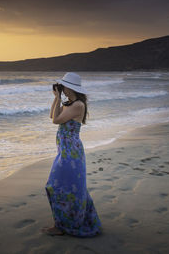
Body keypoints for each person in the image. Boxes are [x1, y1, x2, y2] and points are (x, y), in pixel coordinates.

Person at [42, 72, 102, 237]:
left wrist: (57, 97)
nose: (62, 88)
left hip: (71, 153)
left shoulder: (78, 105)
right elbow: (52, 115)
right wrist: (57, 98)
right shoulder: (70, 103)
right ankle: (61, 224)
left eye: (63, 86)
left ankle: (63, 226)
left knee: (59, 186)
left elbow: (56, 120)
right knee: (60, 187)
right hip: (64, 151)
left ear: (70, 87)